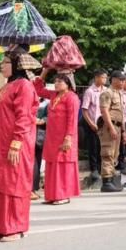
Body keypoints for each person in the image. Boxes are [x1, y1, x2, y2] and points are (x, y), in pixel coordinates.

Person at [0, 46, 40, 242]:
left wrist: (17, 142)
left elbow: (24, 116)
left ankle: (15, 227)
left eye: (5, 62)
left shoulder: (24, 86)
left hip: (14, 143)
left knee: (13, 182)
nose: (2, 66)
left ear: (16, 65)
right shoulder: (7, 86)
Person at [33, 70, 81, 205]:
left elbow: (72, 120)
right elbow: (37, 90)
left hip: (65, 136)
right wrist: (44, 72)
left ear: (68, 83)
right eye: (55, 81)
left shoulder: (72, 97)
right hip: (52, 136)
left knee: (62, 166)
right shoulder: (54, 95)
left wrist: (68, 137)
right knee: (52, 165)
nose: (56, 84)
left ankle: (63, 195)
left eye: (60, 81)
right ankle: (52, 195)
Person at [98, 71, 126, 192]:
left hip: (118, 126)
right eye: (121, 80)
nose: (123, 82)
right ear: (114, 79)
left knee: (115, 153)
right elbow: (104, 111)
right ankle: (106, 181)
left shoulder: (119, 94)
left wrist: (123, 131)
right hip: (110, 126)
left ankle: (112, 178)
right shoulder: (107, 93)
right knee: (108, 152)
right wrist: (110, 127)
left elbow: (121, 114)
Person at [80, 69, 107, 185]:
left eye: (105, 77)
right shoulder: (89, 92)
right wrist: (91, 123)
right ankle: (94, 169)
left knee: (103, 146)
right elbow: (84, 110)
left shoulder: (106, 91)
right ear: (96, 78)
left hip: (103, 123)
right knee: (93, 147)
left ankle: (103, 168)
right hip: (92, 123)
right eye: (102, 77)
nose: (105, 80)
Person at [31, 98, 48, 200]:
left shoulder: (48, 103)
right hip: (29, 133)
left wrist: (42, 120)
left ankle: (33, 188)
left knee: (37, 161)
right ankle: (30, 189)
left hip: (40, 135)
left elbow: (50, 116)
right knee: (33, 162)